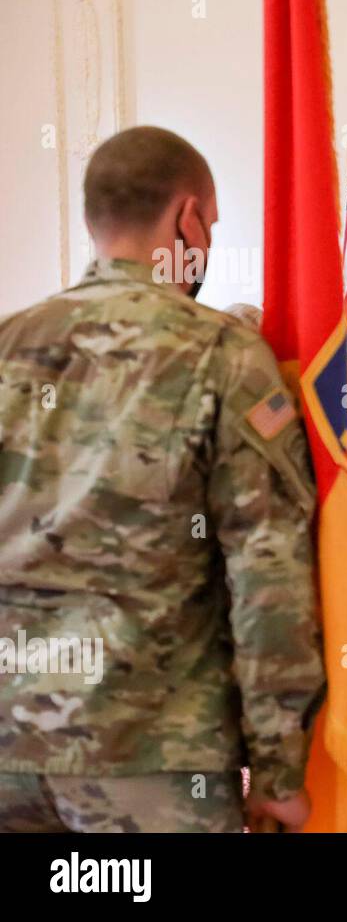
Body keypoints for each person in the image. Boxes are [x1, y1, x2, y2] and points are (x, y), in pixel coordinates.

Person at [0, 126, 324, 831]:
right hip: (149, 753)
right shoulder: (221, 356)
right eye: (208, 224)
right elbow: (267, 576)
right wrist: (278, 766)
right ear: (187, 219)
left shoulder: (8, 341)